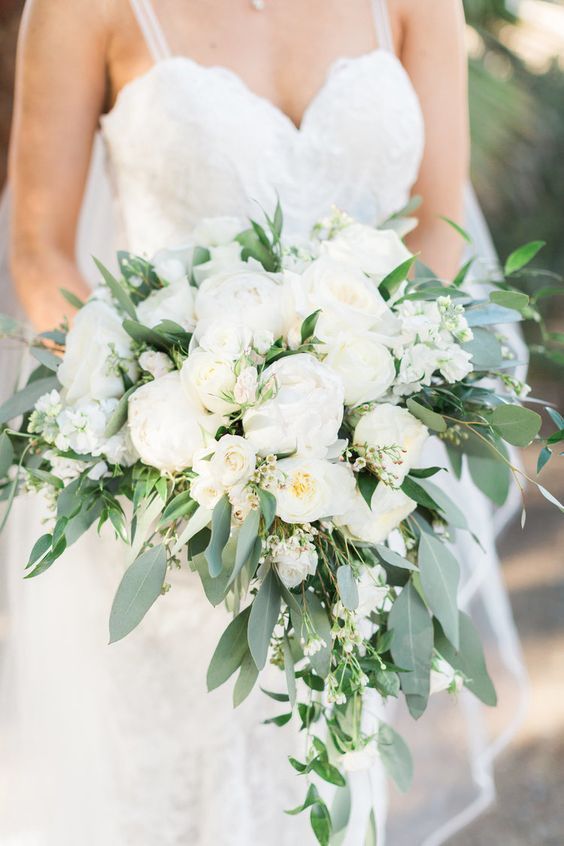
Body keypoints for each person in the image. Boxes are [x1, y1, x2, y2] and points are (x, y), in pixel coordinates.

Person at [0, 2, 526, 844]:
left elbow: (437, 227)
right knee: (171, 800)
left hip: (345, 496)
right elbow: (40, 251)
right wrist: (163, 417)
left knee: (318, 782)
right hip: (168, 496)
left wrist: (367, 413)